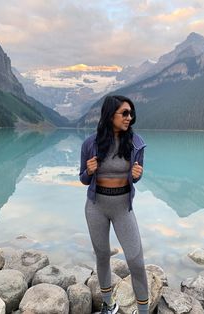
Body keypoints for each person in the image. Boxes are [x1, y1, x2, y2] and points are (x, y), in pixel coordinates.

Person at [79, 95, 149, 314]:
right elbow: (82, 178)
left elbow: (134, 178)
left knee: (135, 260)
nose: (130, 117)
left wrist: (137, 176)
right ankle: (109, 305)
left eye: (131, 113)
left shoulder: (136, 143)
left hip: (122, 208)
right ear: (110, 115)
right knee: (102, 256)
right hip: (96, 206)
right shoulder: (90, 143)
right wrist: (89, 171)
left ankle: (144, 311)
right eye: (124, 113)